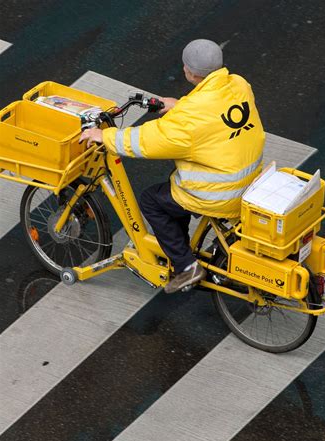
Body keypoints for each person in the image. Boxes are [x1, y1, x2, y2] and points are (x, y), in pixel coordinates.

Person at [80, 39, 265, 293]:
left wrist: (105, 137)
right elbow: (211, 115)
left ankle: (186, 266)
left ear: (190, 72)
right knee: (173, 189)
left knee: (151, 200)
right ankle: (179, 248)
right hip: (251, 178)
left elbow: (149, 141)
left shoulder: (190, 116)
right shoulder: (238, 84)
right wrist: (179, 106)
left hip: (220, 192)